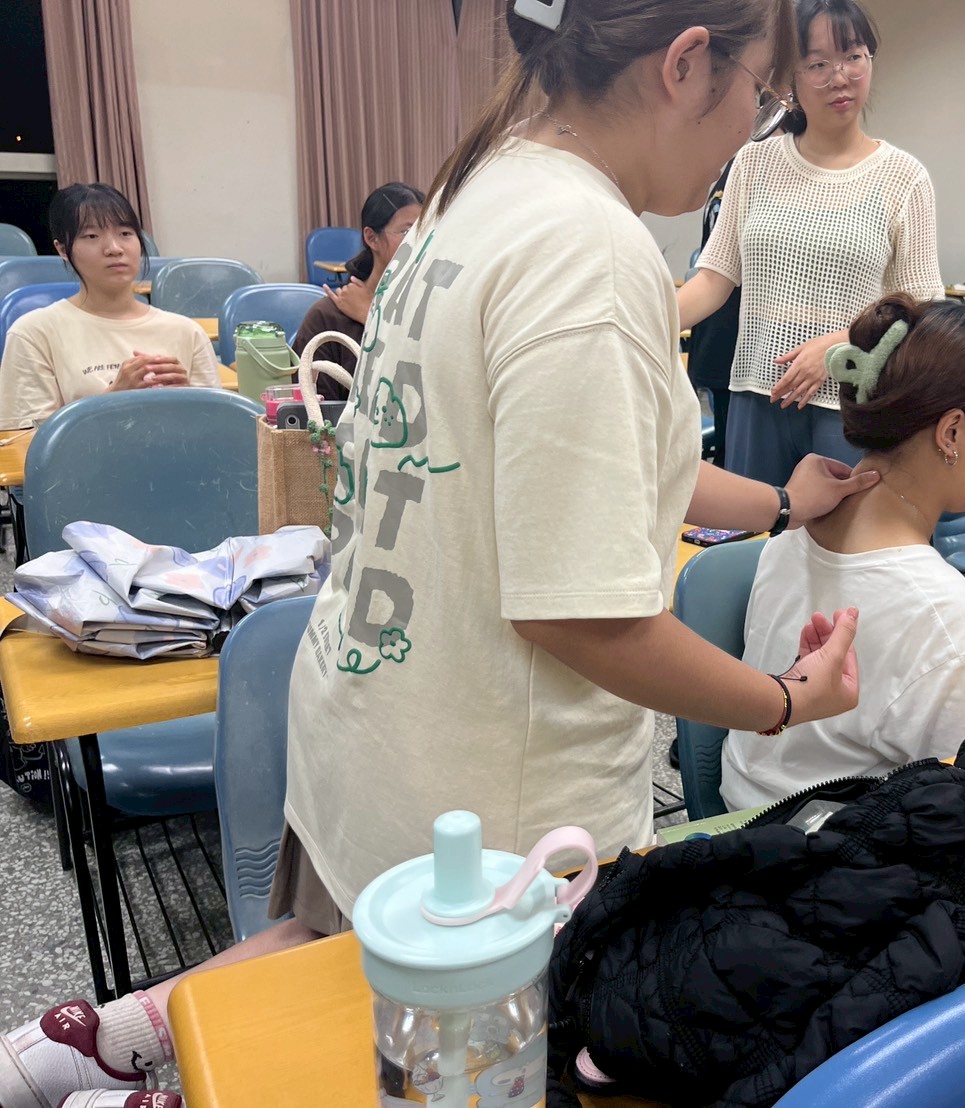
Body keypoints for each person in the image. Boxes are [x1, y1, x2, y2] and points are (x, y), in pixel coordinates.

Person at [0, 3, 880, 1106]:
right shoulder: (590, 249)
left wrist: (781, 503)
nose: (750, 131)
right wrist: (785, 702)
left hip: (372, 719)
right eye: (759, 97)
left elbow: (581, 458)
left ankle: (90, 1044)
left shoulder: (475, 194)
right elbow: (582, 616)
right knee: (421, 1061)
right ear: (685, 63)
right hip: (483, 789)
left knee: (321, 970)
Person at [722, 294, 965, 808]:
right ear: (951, 432)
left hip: (743, 803)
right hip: (839, 842)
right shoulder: (955, 626)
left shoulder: (793, 533)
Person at [677, 0, 945, 486]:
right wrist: (639, 319)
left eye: (853, 57)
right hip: (757, 393)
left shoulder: (904, 178)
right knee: (755, 529)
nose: (839, 77)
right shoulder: (753, 164)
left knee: (842, 532)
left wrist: (843, 343)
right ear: (790, 79)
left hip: (849, 400)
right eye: (818, 64)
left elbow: (923, 309)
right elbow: (713, 281)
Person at [0, 184, 219, 427]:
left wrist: (190, 404)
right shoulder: (33, 333)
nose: (114, 249)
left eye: (125, 233)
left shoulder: (187, 332)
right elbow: (23, 439)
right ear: (62, 249)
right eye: (91, 236)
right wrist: (113, 399)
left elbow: (215, 428)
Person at [291, 182, 424, 401]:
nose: (420, 242)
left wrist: (370, 315)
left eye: (426, 231)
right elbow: (315, 412)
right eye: (407, 231)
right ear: (371, 238)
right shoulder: (327, 318)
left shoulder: (430, 308)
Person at [685, 161, 741, 468]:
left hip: (731, 340)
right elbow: (714, 274)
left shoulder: (740, 167)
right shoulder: (744, 167)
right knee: (730, 460)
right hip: (723, 337)